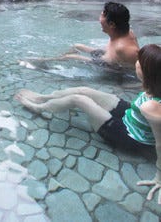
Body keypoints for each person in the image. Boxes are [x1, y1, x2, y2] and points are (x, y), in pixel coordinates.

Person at [15, 44, 161, 204]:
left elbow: (160, 144)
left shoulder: (152, 107)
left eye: (139, 62)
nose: (136, 63)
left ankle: (38, 107)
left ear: (149, 73)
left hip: (126, 135)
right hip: (130, 114)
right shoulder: (154, 87)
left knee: (79, 99)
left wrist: (159, 177)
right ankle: (43, 97)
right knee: (84, 90)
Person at [20, 2, 139, 71]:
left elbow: (140, 70)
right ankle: (55, 58)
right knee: (77, 46)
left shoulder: (125, 48)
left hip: (108, 66)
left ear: (112, 24)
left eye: (102, 16)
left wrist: (125, 85)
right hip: (106, 56)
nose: (99, 19)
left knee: (72, 57)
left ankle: (45, 62)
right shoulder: (123, 31)